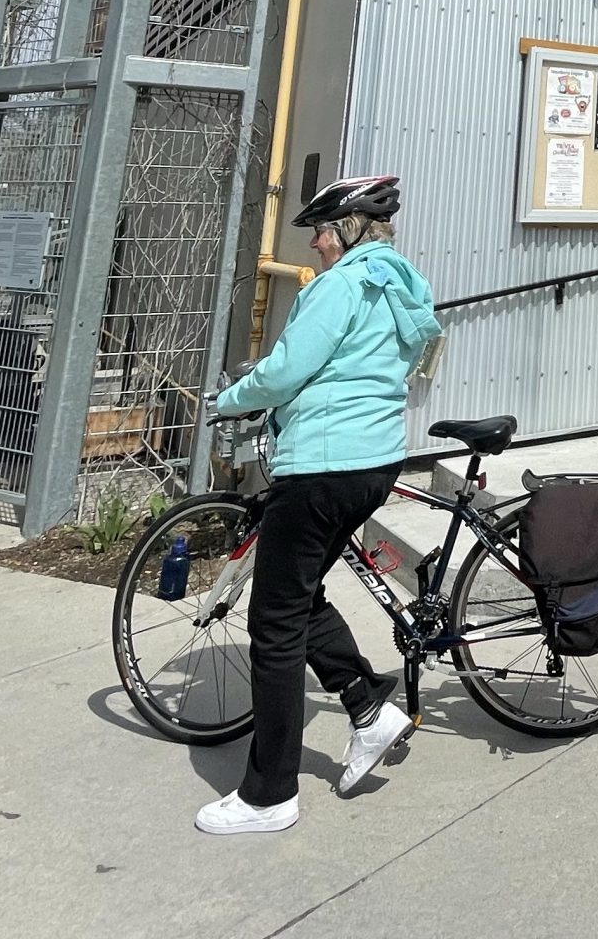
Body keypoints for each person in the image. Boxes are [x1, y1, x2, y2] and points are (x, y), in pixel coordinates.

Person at [194, 174, 443, 837]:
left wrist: (228, 401)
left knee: (273, 627)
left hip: (324, 464)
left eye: (323, 229)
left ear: (354, 227)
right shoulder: (400, 283)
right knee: (299, 597)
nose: (314, 241)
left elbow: (286, 369)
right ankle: (366, 708)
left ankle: (268, 794)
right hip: (372, 460)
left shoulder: (341, 286)